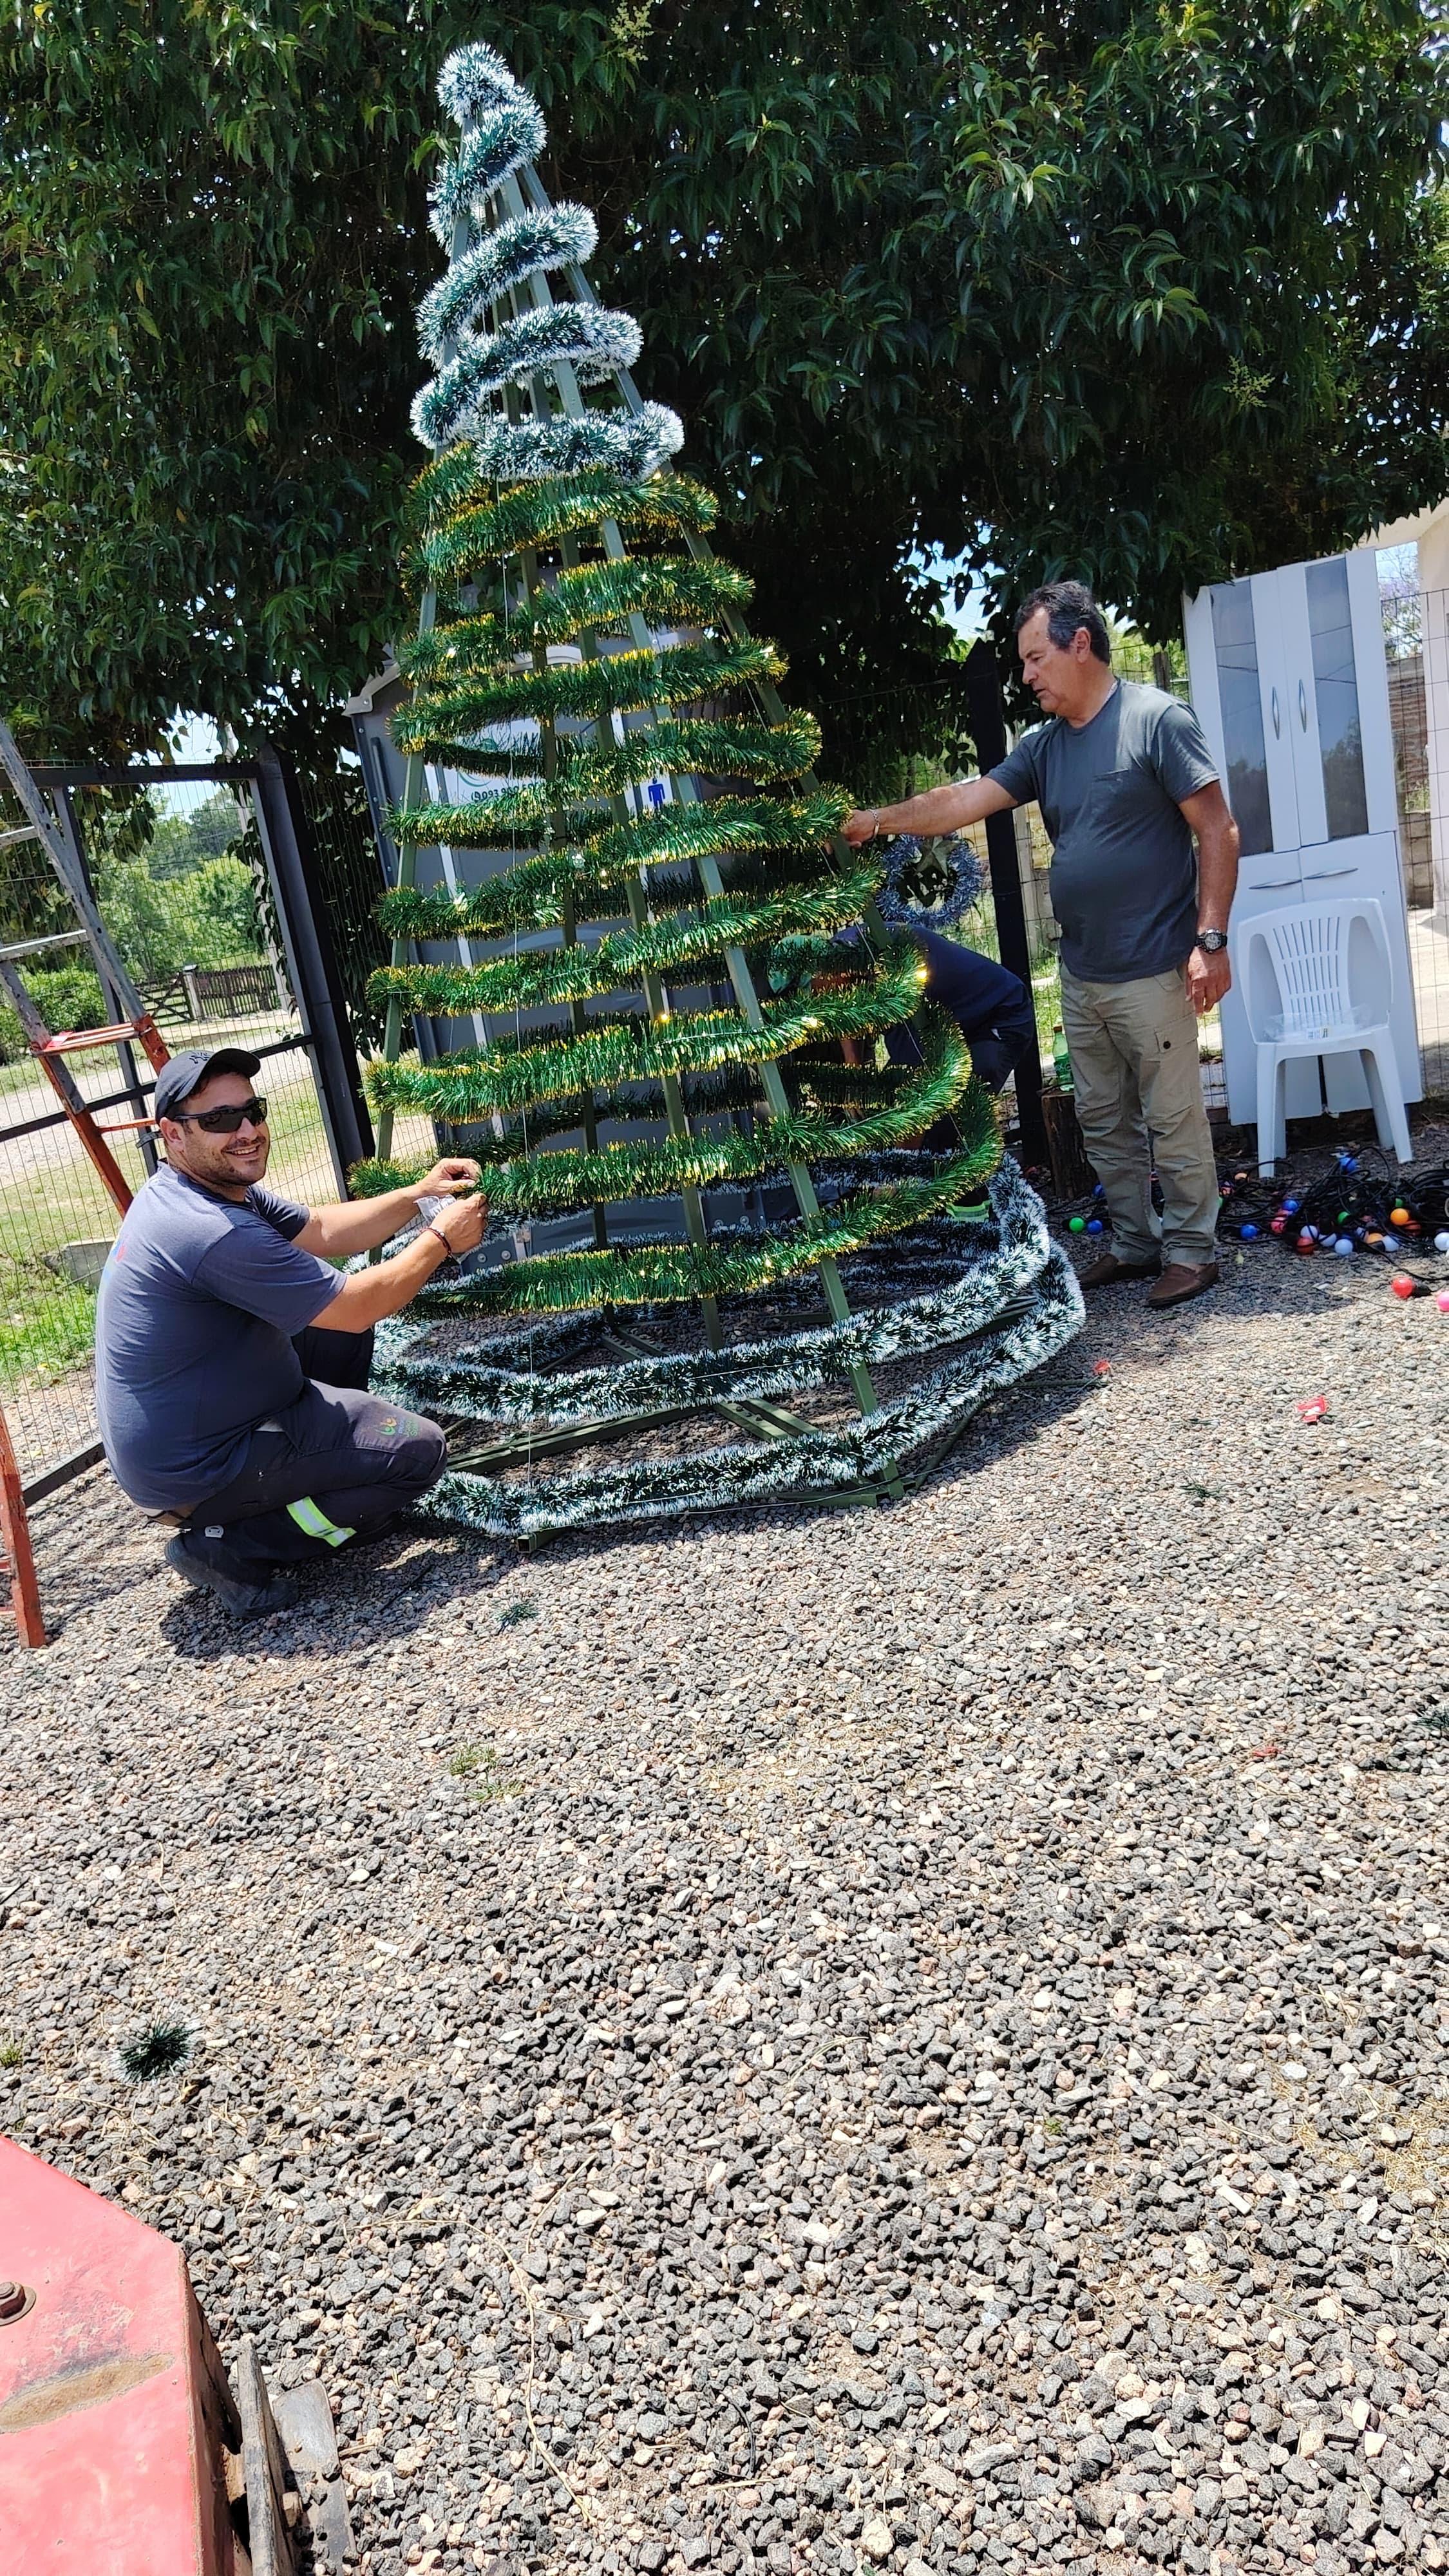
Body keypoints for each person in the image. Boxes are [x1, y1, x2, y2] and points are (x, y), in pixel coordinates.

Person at [844, 580, 1240, 1308]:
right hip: (1083, 972)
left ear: (1078, 644)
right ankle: (1133, 1242)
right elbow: (962, 798)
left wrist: (1210, 941)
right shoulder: (1045, 748)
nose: (1026, 677)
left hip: (1154, 968)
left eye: (1034, 659)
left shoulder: (1157, 722)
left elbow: (1219, 830)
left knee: (1173, 1115)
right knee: (1100, 1119)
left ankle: (1192, 1251)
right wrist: (881, 819)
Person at [95, 1046, 487, 1620]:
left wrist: (416, 1196)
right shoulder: (208, 1230)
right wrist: (443, 1241)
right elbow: (356, 1306)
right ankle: (231, 1546)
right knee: (418, 1453)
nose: (247, 1130)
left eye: (253, 1111)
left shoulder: (208, 1190)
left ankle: (320, 1471)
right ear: (172, 1135)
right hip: (202, 1469)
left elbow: (324, 1228)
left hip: (205, 1426)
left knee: (338, 1329)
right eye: (220, 1120)